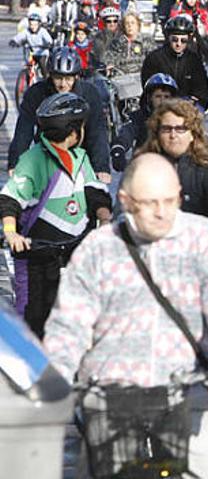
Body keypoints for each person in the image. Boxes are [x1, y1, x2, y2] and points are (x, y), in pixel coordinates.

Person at [43, 153, 208, 479]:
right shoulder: (98, 249)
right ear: (126, 201)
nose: (162, 212)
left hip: (189, 391)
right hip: (111, 396)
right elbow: (69, 322)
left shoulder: (207, 239)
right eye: (150, 202)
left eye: (171, 200)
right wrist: (56, 377)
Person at [0, 92, 111, 339]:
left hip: (75, 253)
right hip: (38, 255)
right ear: (73, 133)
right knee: (34, 321)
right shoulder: (34, 160)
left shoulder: (81, 159)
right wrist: (11, 233)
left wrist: (104, 219)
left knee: (81, 319)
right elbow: (10, 199)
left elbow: (95, 194)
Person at [135, 99, 208, 259]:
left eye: (180, 129)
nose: (173, 135)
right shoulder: (143, 164)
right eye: (166, 129)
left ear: (193, 134)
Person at [9, 47, 110, 182]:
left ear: (76, 76)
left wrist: (101, 167)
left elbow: (97, 132)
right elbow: (24, 129)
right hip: (46, 155)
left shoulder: (90, 93)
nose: (63, 84)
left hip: (80, 156)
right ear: (50, 76)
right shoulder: (36, 93)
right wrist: (16, 163)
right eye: (58, 78)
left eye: (68, 79)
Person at [111, 73, 178, 170]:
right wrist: (118, 149)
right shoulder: (138, 117)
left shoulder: (180, 118)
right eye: (158, 96)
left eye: (166, 97)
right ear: (149, 98)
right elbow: (126, 133)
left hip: (174, 169)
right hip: (144, 168)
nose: (162, 100)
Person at [142, 16, 208, 111]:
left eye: (183, 41)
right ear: (168, 37)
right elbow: (148, 87)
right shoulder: (154, 58)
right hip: (161, 106)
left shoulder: (194, 60)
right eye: (174, 39)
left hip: (186, 107)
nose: (178, 44)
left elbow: (202, 88)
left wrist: (196, 101)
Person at [170, 0, 208, 65]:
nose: (192, 0)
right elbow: (173, 16)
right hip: (180, 28)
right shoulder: (179, 5)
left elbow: (205, 20)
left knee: (201, 40)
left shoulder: (199, 6)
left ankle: (205, 59)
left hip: (194, 29)